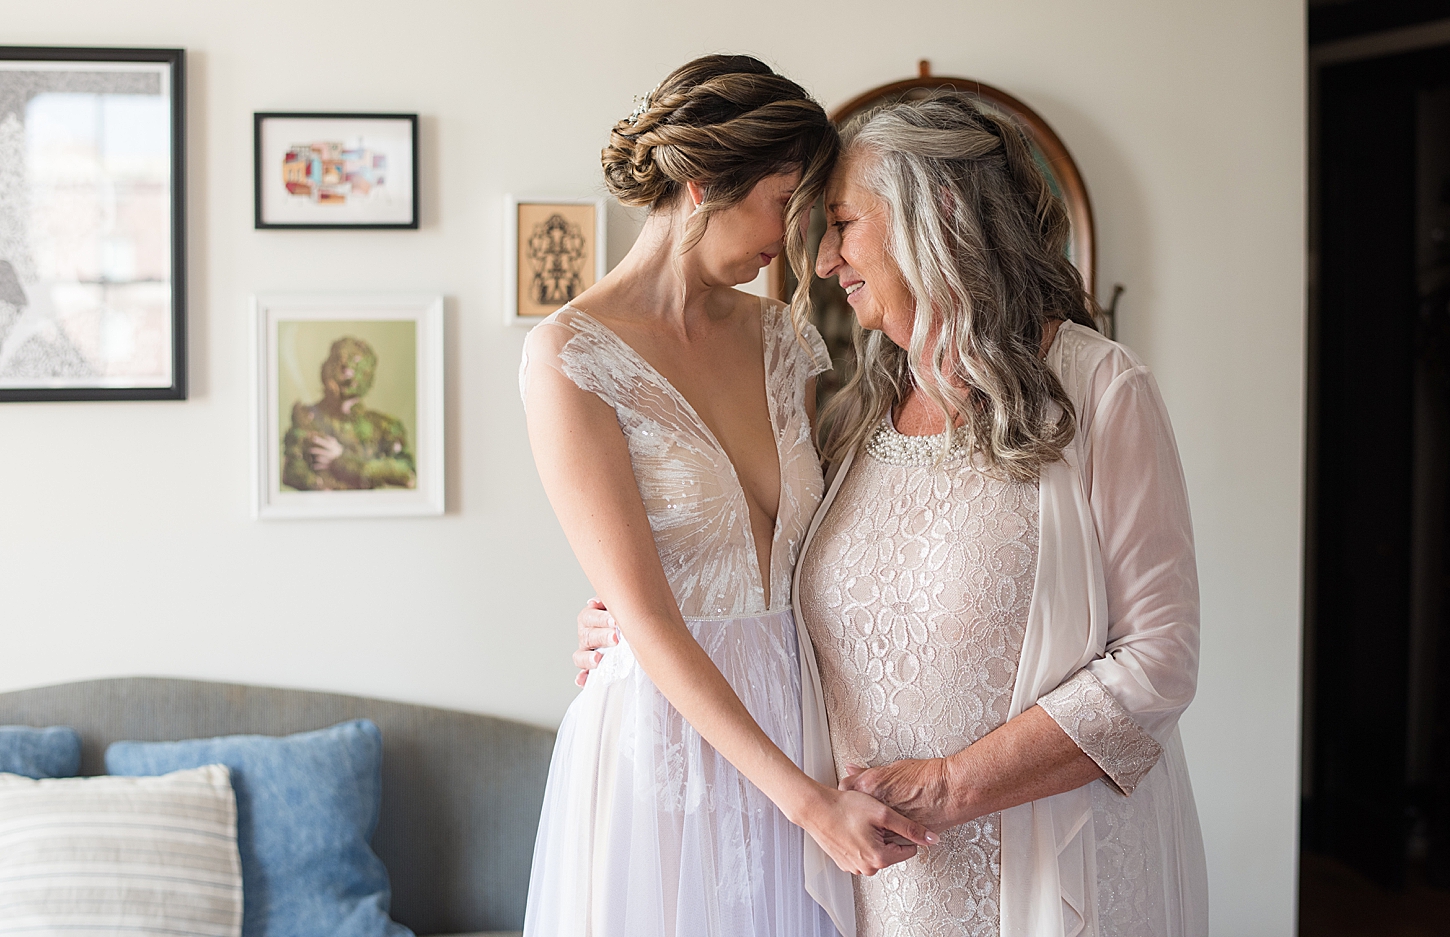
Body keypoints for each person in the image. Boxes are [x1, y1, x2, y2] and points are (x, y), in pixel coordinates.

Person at [576, 92, 1209, 936]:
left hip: (1050, 868)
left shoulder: (1100, 389)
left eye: (842, 222)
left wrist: (953, 783)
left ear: (933, 216)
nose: (827, 259)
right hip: (878, 881)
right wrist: (633, 616)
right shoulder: (855, 404)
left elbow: (1160, 661)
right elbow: (767, 566)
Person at [518, 55, 935, 937]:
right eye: (784, 204)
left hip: (798, 715)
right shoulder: (568, 358)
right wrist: (809, 805)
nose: (797, 241)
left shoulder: (781, 337)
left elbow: (826, 535)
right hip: (666, 743)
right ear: (705, 184)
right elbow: (652, 618)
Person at [282, 336, 415, 490]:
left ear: (367, 373)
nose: (346, 368)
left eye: (356, 362)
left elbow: (407, 474)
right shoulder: (307, 417)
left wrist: (342, 461)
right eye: (338, 361)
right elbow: (291, 471)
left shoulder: (385, 425)